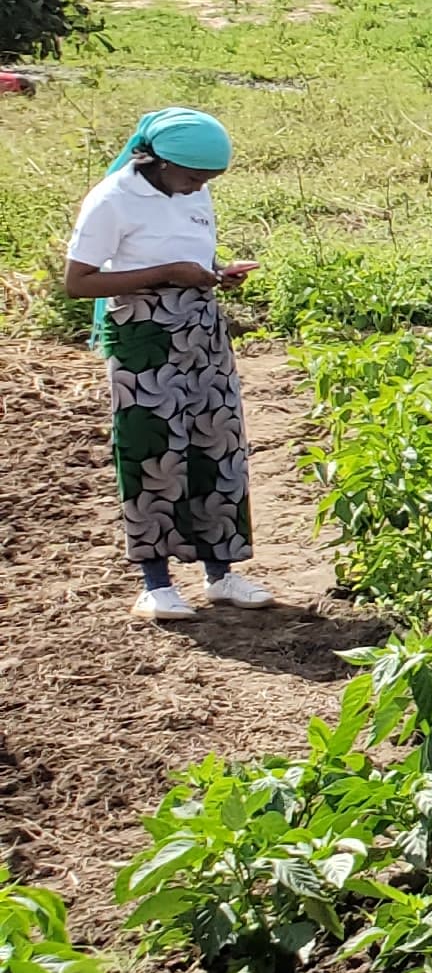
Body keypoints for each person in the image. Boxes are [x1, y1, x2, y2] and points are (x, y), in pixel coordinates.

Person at [60, 108, 274, 623]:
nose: (199, 186)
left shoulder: (192, 192)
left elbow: (190, 255)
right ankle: (155, 583)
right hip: (144, 340)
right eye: (193, 176)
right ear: (156, 161)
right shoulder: (113, 200)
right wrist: (167, 274)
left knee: (216, 446)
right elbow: (79, 282)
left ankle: (220, 573)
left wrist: (215, 274)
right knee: (153, 450)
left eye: (207, 180)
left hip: (202, 333)